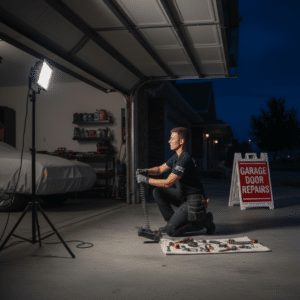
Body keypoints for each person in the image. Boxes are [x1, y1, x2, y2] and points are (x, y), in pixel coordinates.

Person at [136, 127, 216, 237]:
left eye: (172, 138)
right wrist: (146, 171)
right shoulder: (176, 157)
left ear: (181, 141)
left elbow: (168, 182)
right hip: (182, 195)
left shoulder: (185, 158)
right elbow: (159, 169)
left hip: (194, 200)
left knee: (171, 231)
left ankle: (204, 221)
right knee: (158, 192)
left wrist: (146, 180)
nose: (169, 141)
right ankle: (171, 221)